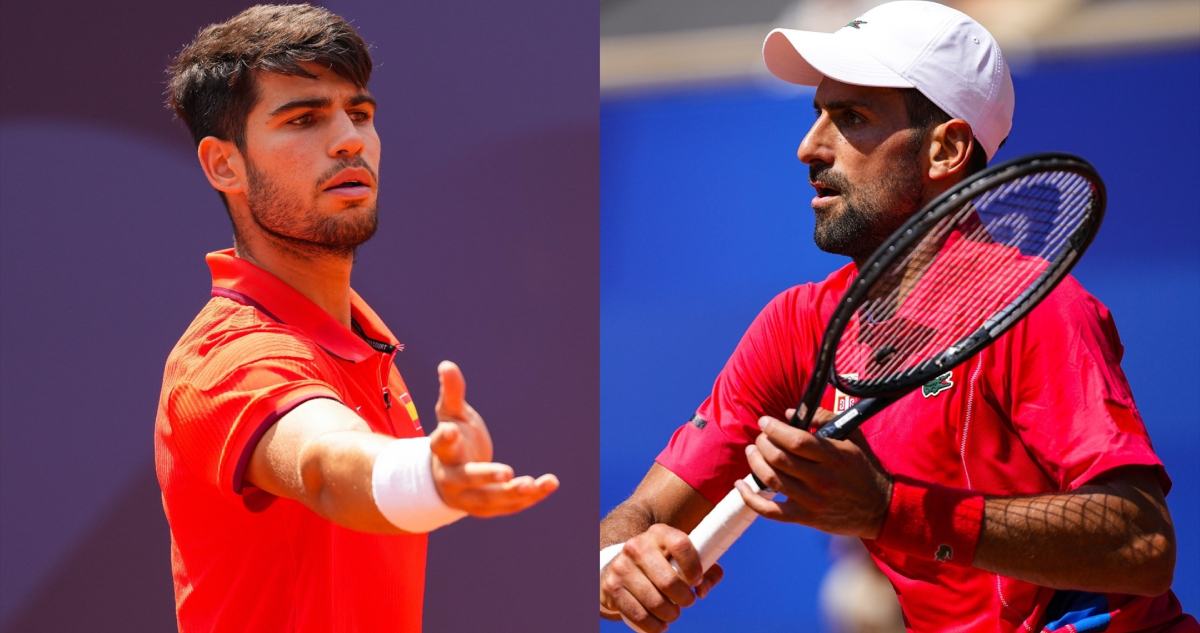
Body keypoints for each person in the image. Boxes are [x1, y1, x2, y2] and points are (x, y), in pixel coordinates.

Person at [598, 2, 1194, 632]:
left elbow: (1143, 543)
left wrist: (888, 509)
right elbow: (644, 514)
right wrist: (616, 565)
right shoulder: (797, 324)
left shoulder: (1039, 309)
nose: (808, 148)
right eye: (816, 115)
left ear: (946, 149)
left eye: (851, 118)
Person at [155, 5, 558, 631]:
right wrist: (424, 475)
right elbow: (324, 465)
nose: (349, 140)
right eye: (304, 119)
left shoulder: (361, 341)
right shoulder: (227, 359)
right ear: (223, 165)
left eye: (360, 114)